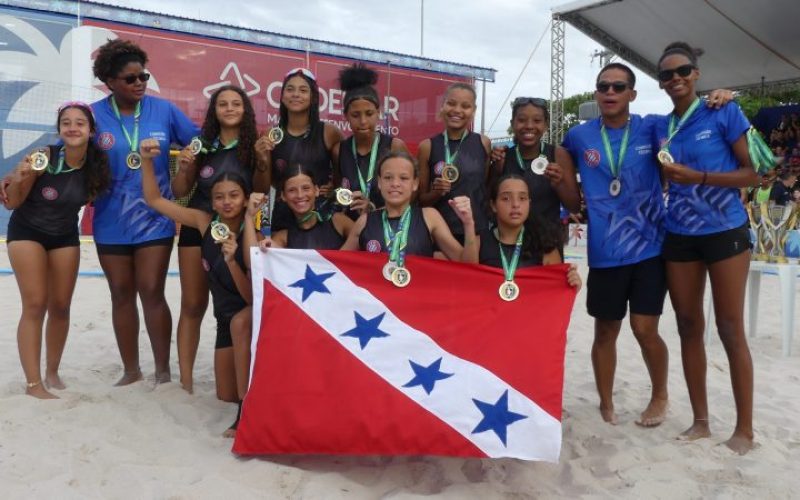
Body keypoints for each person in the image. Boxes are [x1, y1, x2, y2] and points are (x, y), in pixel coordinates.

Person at [655, 42, 759, 454]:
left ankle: (744, 431)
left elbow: (753, 174)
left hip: (724, 229)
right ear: (660, 82)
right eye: (667, 75)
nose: (675, 79)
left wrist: (698, 176)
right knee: (686, 325)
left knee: (730, 329)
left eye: (683, 71)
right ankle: (700, 421)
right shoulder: (661, 127)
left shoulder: (724, 111)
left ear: (696, 73)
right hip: (679, 233)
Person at [562, 63, 670, 427]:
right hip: (605, 252)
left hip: (650, 248)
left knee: (644, 329)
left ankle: (660, 395)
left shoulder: (651, 126)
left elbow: (687, 121)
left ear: (632, 94)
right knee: (605, 331)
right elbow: (558, 161)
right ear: (596, 93)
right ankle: (606, 402)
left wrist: (717, 99)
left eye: (618, 86)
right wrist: (571, 201)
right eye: (603, 86)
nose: (610, 92)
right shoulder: (579, 136)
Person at [90, 39, 199, 386]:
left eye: (144, 76)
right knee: (121, 293)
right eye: (130, 78)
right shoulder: (93, 114)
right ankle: (131, 370)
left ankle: (163, 370)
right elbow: (66, 152)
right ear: (109, 81)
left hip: (155, 215)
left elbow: (198, 142)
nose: (140, 83)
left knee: (151, 289)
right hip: (110, 219)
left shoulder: (163, 111)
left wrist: (187, 161)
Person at [139, 137, 252, 437]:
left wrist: (232, 258)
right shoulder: (204, 221)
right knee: (225, 394)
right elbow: (155, 200)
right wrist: (147, 162)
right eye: (219, 197)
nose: (227, 202)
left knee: (241, 391)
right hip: (224, 323)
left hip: (250, 322)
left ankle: (248, 412)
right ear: (211, 201)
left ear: (244, 198)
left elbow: (251, 296)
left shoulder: (252, 230)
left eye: (233, 195)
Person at [3, 102, 109, 399]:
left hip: (64, 235)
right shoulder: (44, 157)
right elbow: (12, 202)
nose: (72, 127)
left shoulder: (96, 166)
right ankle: (34, 384)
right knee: (35, 304)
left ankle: (52, 372)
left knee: (60, 307)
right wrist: (22, 177)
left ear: (90, 131)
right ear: (59, 128)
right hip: (27, 232)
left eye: (80, 123)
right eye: (66, 123)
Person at [169, 85, 264, 393]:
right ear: (214, 111)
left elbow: (263, 187)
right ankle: (185, 380)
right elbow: (180, 192)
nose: (229, 108)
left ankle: (238, 375)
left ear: (245, 110)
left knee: (233, 304)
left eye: (236, 103)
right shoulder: (201, 144)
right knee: (193, 304)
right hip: (199, 228)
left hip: (236, 233)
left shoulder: (253, 146)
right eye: (222, 103)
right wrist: (184, 167)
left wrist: (263, 162)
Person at [341, 151, 475, 263]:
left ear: (415, 183)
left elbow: (468, 266)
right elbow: (337, 265)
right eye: (388, 177)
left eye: (404, 178)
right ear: (380, 182)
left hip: (418, 294)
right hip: (375, 295)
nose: (395, 183)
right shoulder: (365, 222)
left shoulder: (429, 217)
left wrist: (468, 223)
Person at [254, 68, 343, 231]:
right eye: (290, 89)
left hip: (322, 216)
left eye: (303, 90)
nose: (296, 94)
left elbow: (346, 169)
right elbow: (262, 189)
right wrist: (261, 160)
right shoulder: (268, 135)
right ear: (281, 96)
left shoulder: (330, 132)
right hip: (284, 218)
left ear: (313, 97)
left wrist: (334, 186)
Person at [465, 174, 582, 290]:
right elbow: (466, 285)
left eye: (522, 198)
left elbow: (555, 296)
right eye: (506, 198)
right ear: (493, 205)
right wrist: (468, 224)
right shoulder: (478, 243)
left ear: (529, 203)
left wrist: (572, 286)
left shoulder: (545, 247)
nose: (515, 205)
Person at [417, 83, 491, 244]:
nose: (457, 110)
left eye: (465, 106)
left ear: (473, 110)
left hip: (476, 232)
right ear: (442, 105)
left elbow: (484, 186)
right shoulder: (427, 146)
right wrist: (436, 193)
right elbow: (420, 200)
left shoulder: (483, 143)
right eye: (451, 103)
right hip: (439, 234)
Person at [333, 63, 408, 218]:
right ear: (345, 115)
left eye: (369, 113)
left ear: (378, 112)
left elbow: (411, 194)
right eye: (355, 115)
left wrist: (373, 208)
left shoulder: (394, 146)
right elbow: (338, 191)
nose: (363, 121)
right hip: (350, 229)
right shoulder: (339, 150)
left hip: (386, 230)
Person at [495, 97, 581, 231]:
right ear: (513, 123)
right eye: (522, 120)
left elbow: (574, 207)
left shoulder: (559, 155)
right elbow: (489, 203)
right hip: (508, 241)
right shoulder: (502, 157)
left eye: (537, 121)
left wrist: (559, 184)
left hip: (547, 242)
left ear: (546, 125)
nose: (529, 126)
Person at [256, 164, 354, 250]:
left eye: (306, 188)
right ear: (283, 196)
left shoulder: (338, 222)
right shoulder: (281, 238)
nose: (300, 195)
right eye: (292, 190)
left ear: (316, 190)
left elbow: (364, 240)